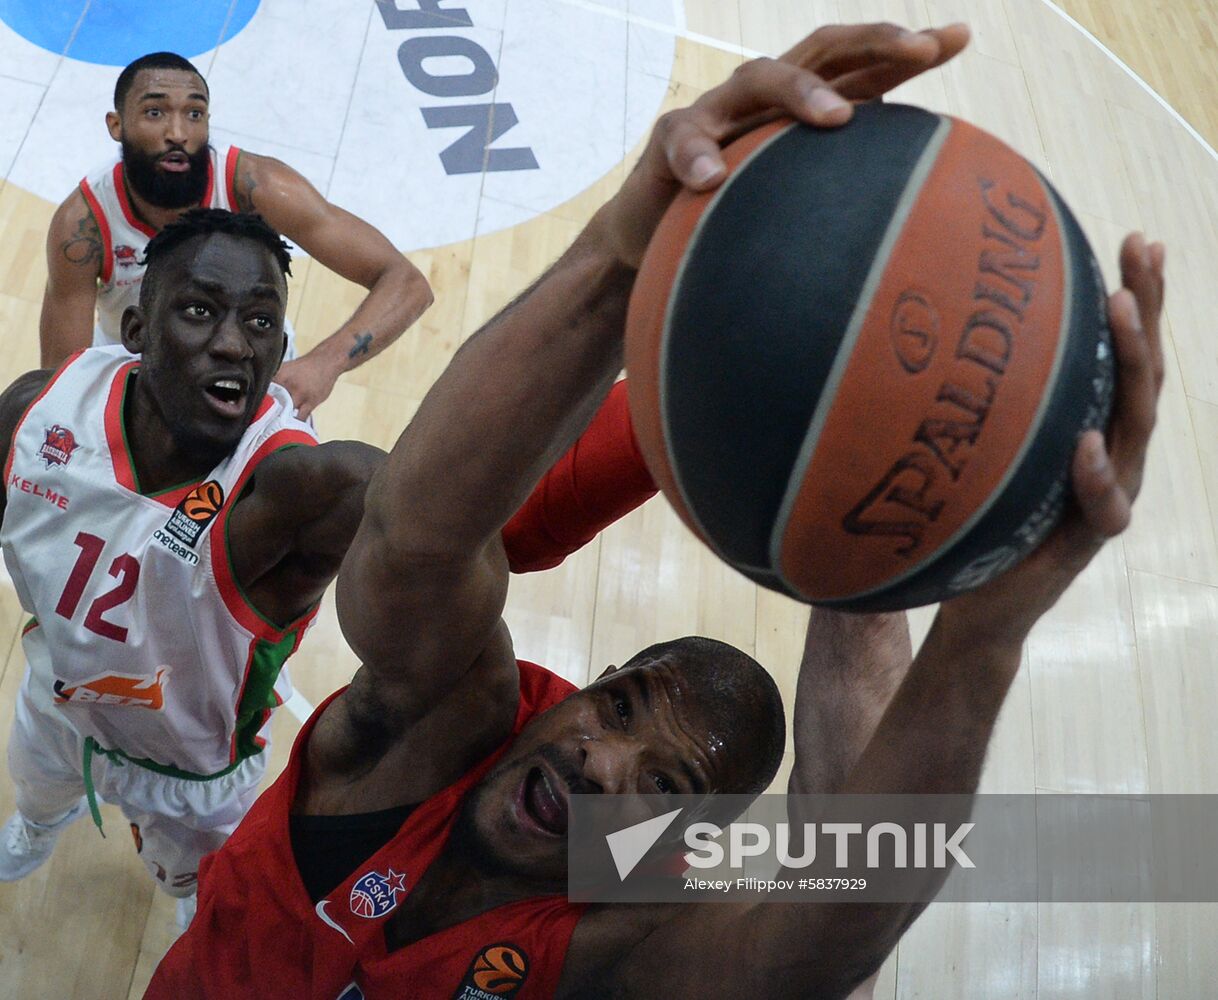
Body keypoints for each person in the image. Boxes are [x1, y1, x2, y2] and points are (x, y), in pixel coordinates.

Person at [148, 19, 1167, 999]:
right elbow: (413, 543)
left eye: (664, 788)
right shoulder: (452, 718)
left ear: (672, 849)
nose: (600, 762)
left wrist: (983, 624)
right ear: (594, 686)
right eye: (621, 710)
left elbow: (846, 911)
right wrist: (621, 251)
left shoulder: (629, 939)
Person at [0, 208, 656, 930]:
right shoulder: (41, 408)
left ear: (279, 345)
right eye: (198, 310)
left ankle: (195, 902)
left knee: (201, 900)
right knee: (37, 790)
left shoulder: (295, 489)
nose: (231, 344)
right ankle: (37, 825)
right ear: (134, 331)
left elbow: (446, 517)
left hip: (189, 774)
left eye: (259, 324)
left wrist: (642, 418)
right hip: (57, 698)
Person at [39, 51, 434, 420]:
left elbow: (406, 282)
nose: (178, 131)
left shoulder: (258, 188)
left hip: (251, 375)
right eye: (155, 112)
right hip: (144, 380)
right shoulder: (83, 226)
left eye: (194, 113)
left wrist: (322, 365)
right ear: (116, 125)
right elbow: (63, 378)